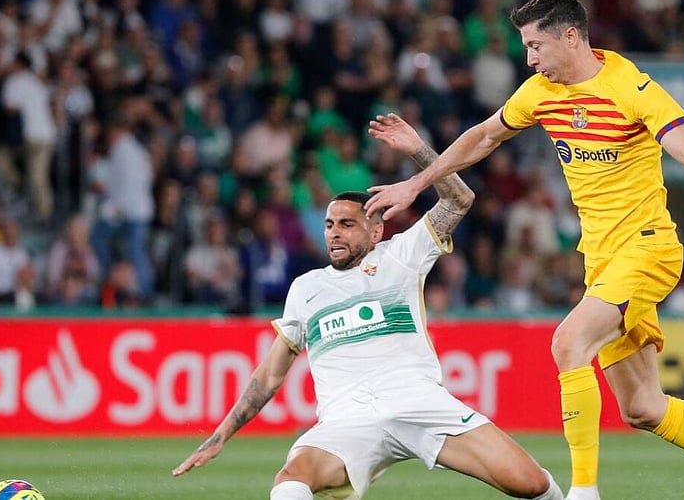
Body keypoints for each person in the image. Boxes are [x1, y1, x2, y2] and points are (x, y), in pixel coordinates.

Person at [363, 0, 684, 500]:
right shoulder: (541, 92)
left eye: (535, 45)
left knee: (567, 343)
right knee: (643, 408)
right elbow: (483, 138)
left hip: (648, 248)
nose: (528, 58)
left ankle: (583, 492)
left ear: (570, 36)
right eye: (526, 46)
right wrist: (416, 182)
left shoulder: (630, 88)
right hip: (603, 259)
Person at [172, 113, 563, 500]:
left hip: (418, 405)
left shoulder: (401, 255)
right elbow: (270, 375)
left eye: (347, 224)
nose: (334, 233)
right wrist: (221, 434)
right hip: (348, 421)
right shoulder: (306, 288)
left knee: (528, 482)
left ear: (376, 231)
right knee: (292, 480)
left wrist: (418, 153)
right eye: (329, 225)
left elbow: (459, 199)